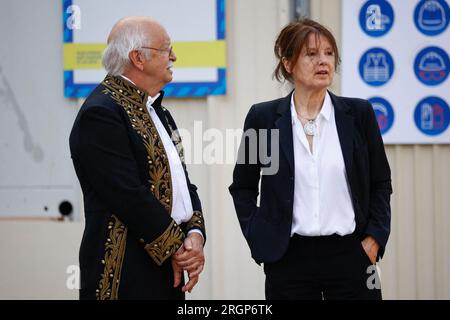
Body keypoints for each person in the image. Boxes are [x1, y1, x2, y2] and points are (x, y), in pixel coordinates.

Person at [229, 19, 392, 300]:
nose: (323, 61)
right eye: (311, 54)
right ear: (288, 63)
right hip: (288, 259)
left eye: (329, 53)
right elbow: (243, 187)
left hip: (353, 255)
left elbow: (381, 182)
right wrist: (260, 237)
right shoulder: (263, 118)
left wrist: (374, 239)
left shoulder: (359, 114)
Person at [69, 16, 206, 300]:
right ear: (138, 58)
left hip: (167, 268)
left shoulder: (159, 112)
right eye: (166, 49)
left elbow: (183, 185)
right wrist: (178, 249)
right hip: (124, 271)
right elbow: (127, 194)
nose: (174, 56)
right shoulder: (101, 112)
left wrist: (195, 235)